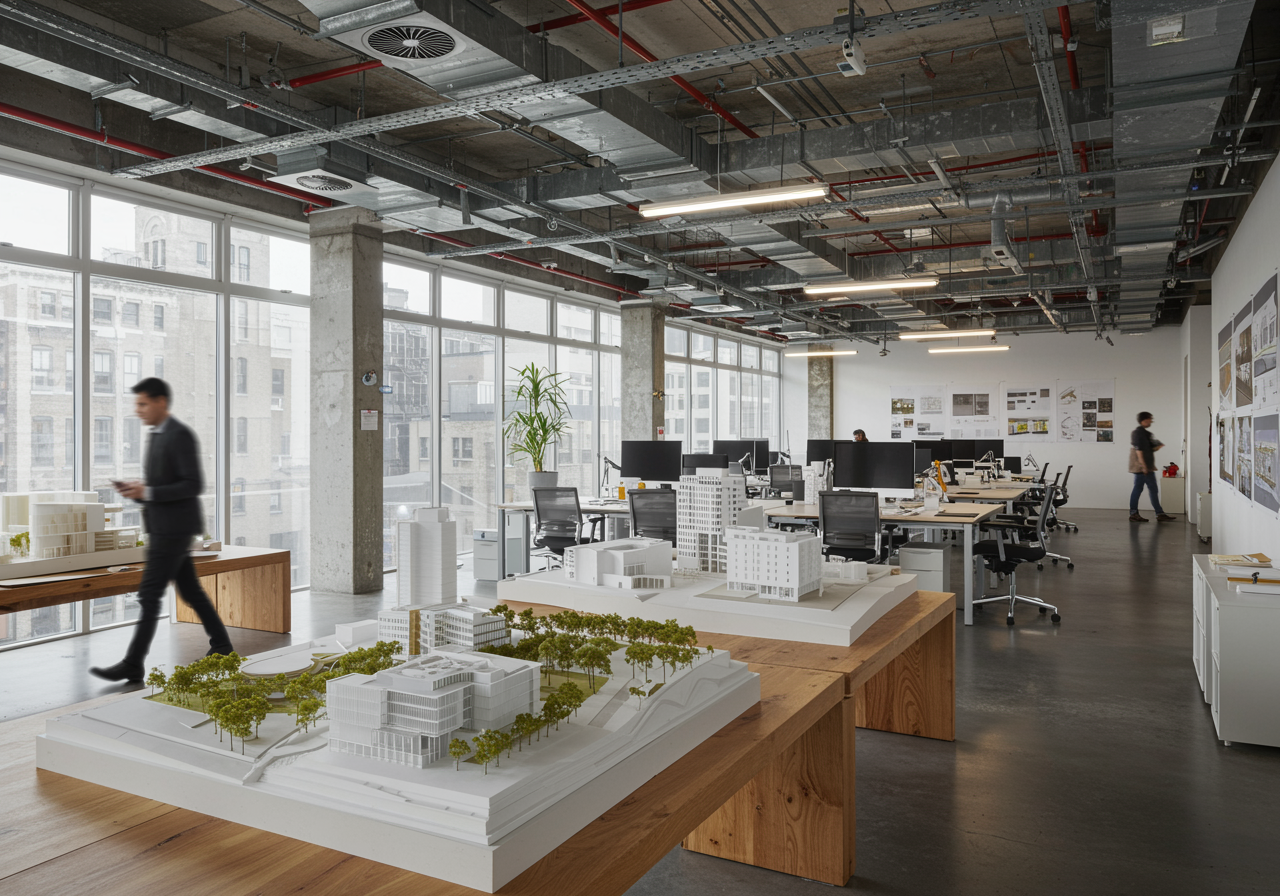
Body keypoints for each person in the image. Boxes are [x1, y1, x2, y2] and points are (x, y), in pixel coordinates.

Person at [90, 378, 233, 683]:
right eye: (137, 404)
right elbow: (161, 482)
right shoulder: (156, 435)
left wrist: (149, 492)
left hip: (174, 529)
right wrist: (139, 489)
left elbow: (193, 484)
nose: (137, 410)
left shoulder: (180, 435)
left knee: (150, 593)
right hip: (163, 527)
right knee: (190, 590)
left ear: (161, 403)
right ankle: (222, 647)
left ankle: (133, 662)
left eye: (142, 403)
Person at [1129, 411, 1175, 523]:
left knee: (1151, 489)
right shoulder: (1138, 433)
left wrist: (1157, 446)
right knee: (1139, 489)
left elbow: (1149, 448)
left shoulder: (1146, 433)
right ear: (1144, 420)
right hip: (1143, 467)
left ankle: (1159, 513)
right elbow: (1139, 450)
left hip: (1147, 466)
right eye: (1150, 419)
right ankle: (1134, 513)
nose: (1151, 421)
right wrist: (1143, 466)